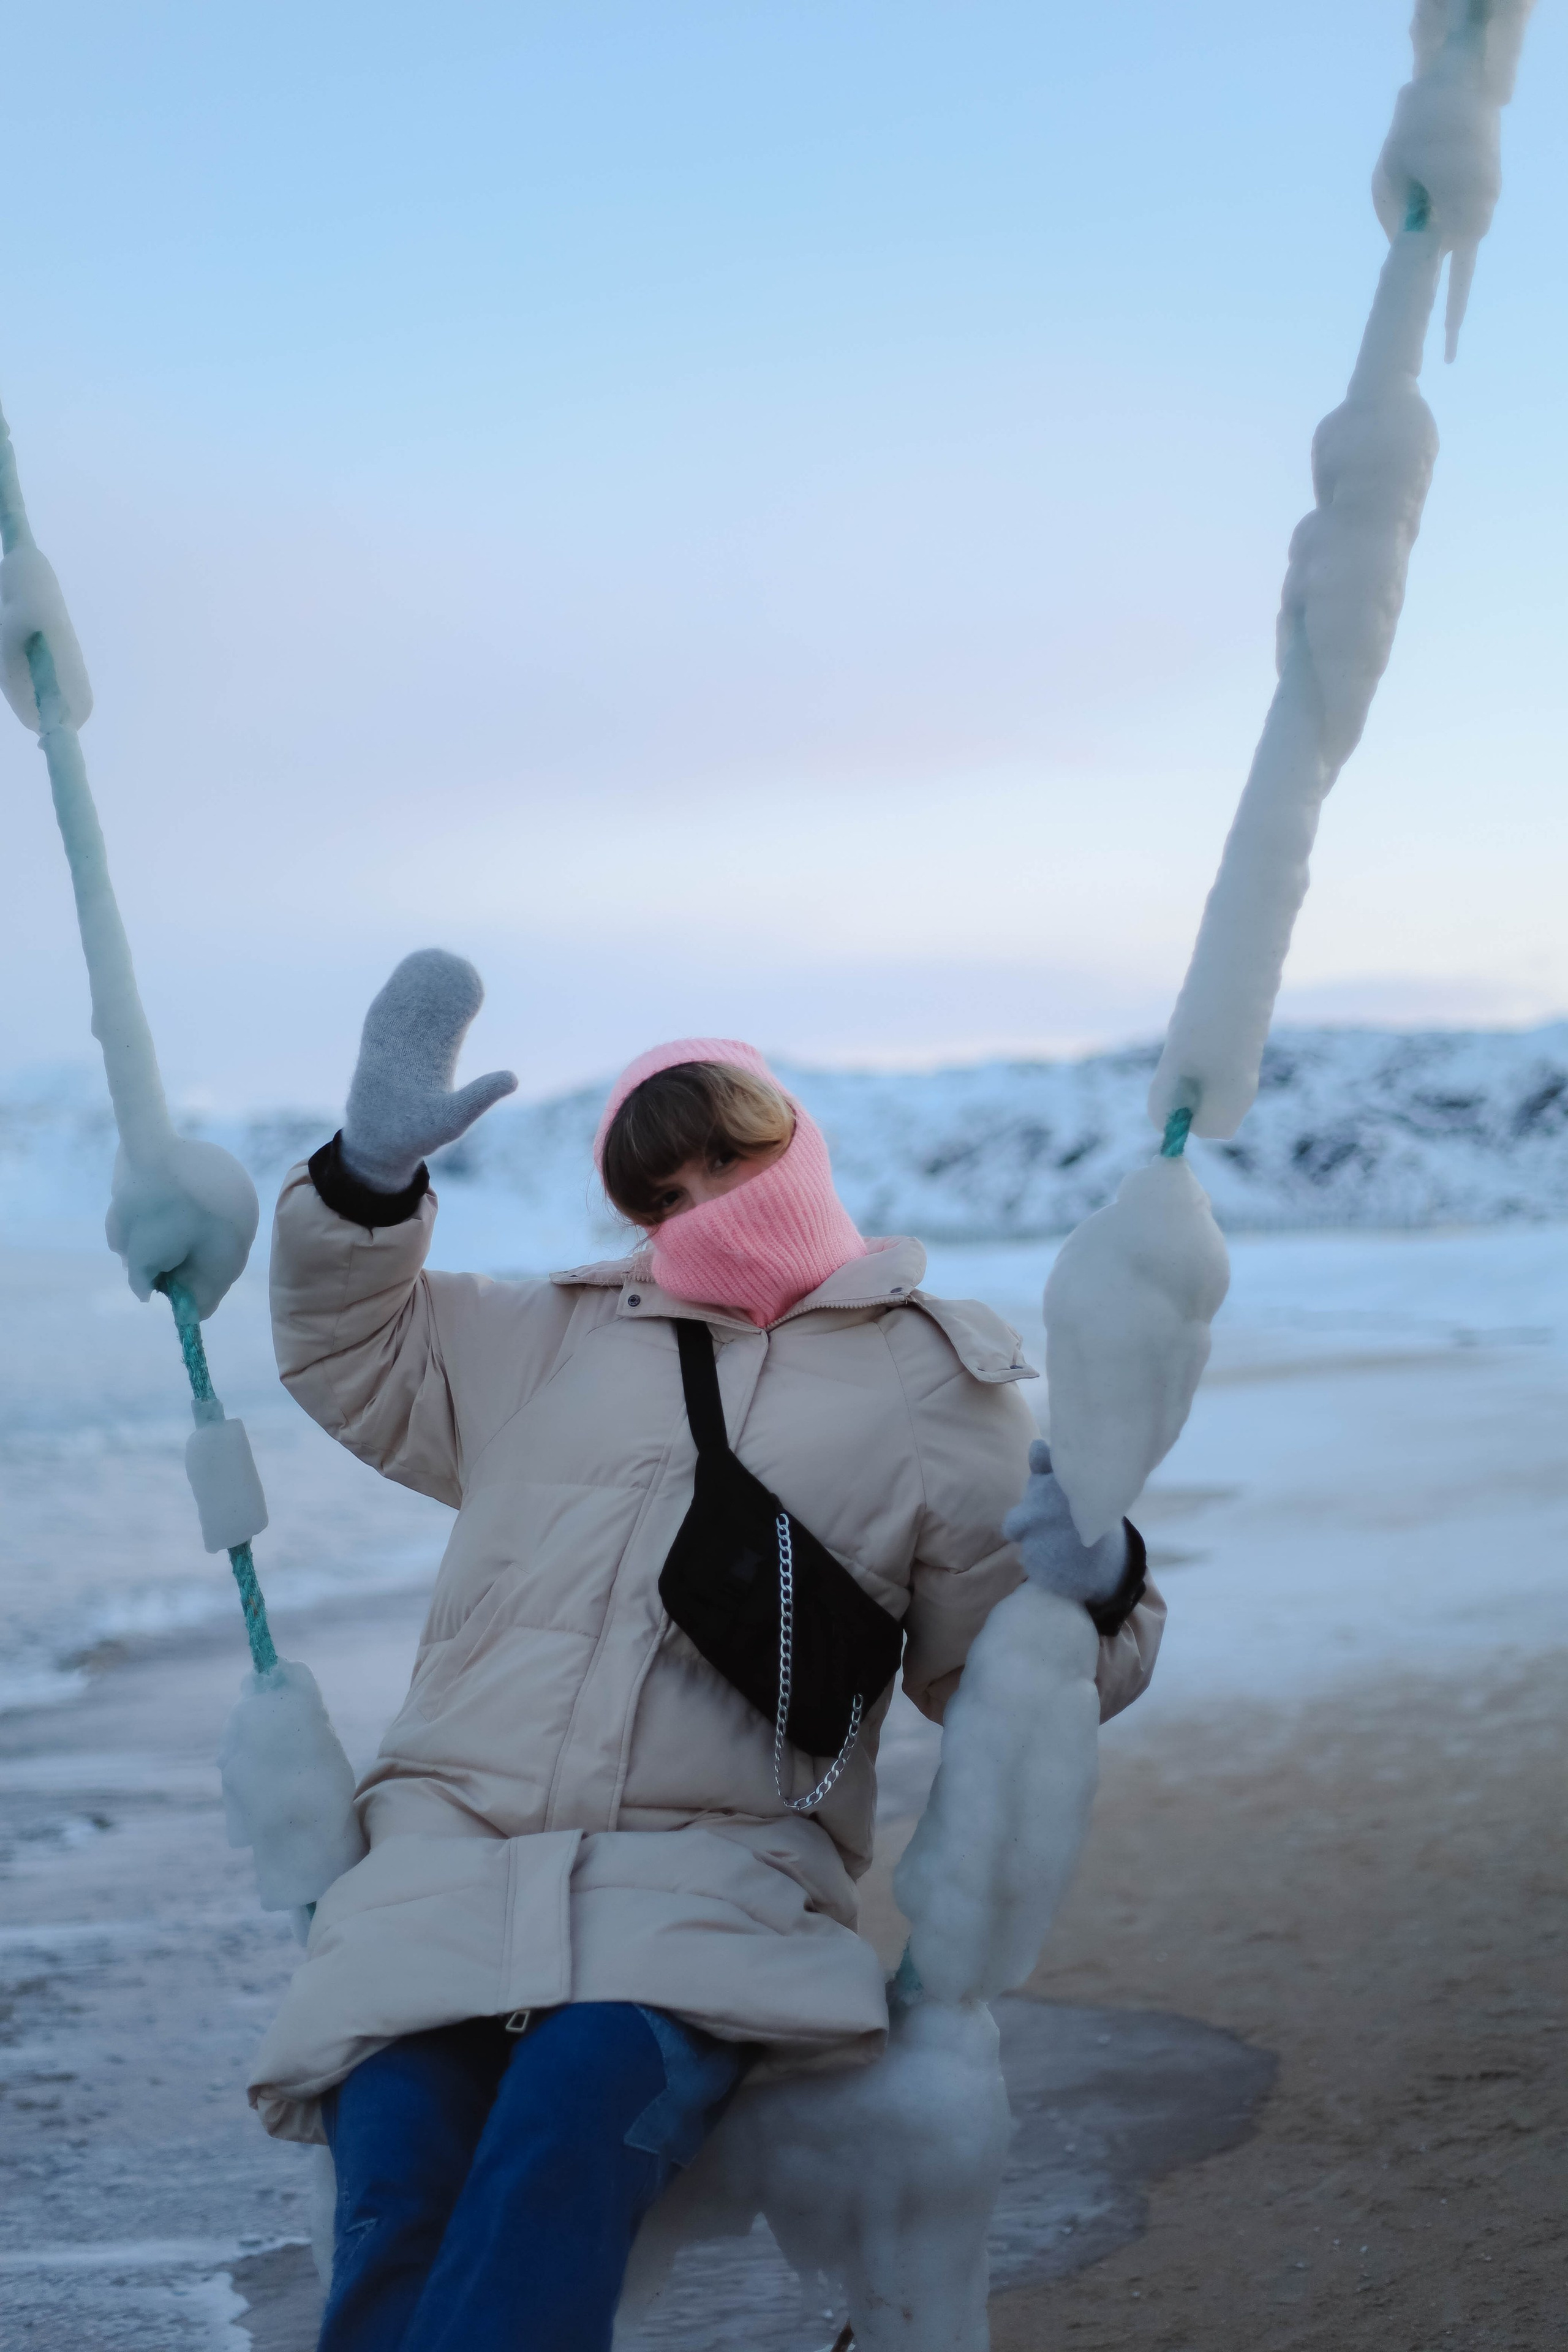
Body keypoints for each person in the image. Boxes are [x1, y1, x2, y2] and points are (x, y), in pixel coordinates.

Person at [247, 951, 1164, 2352]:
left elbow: (1017, 1692)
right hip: (438, 1866)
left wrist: (1094, 1590)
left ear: (792, 1142)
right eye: (658, 1198)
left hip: (709, 1894)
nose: (697, 1211)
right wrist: (366, 1185)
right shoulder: (543, 1339)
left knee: (553, 2164)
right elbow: (347, 1348)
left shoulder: (933, 1382)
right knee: (395, 2196)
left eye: (722, 1167)